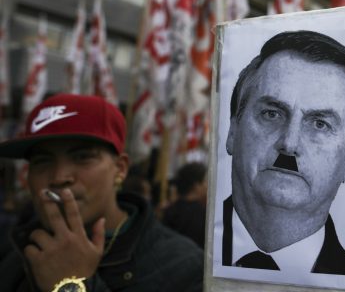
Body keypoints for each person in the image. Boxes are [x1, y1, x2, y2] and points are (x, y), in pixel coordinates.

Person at [0, 94, 203, 292]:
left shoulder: (184, 266)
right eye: (42, 161)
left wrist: (71, 285)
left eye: (82, 157)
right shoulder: (12, 253)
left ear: (120, 169)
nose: (60, 177)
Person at [222, 30, 345, 277]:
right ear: (233, 131)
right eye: (271, 114)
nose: (289, 144)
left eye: (320, 124)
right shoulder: (181, 256)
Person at [163, 162, 207, 249]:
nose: (207, 185)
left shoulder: (168, 210)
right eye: (204, 181)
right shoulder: (204, 215)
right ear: (196, 186)